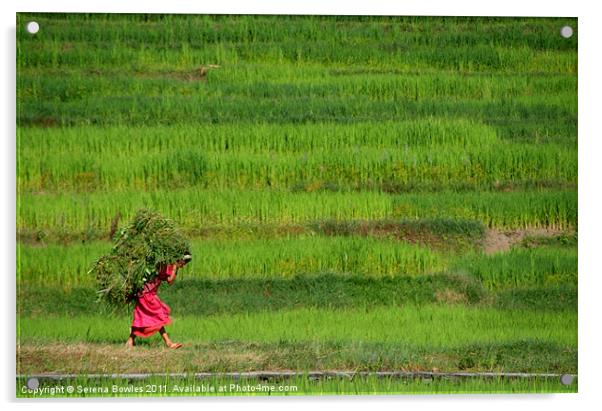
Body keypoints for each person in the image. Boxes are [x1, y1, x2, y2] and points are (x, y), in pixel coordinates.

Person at [125, 255, 191, 349]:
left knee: (143, 318)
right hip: (146, 293)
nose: (183, 265)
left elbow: (169, 280)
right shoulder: (167, 264)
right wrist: (175, 267)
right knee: (158, 315)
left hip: (148, 294)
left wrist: (175, 268)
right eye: (183, 262)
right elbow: (170, 280)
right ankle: (169, 343)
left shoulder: (169, 265)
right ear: (179, 260)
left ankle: (130, 341)